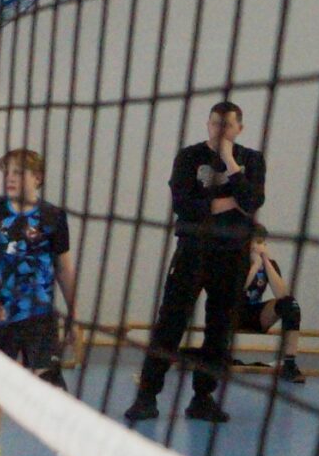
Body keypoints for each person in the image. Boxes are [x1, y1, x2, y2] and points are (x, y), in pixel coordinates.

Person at [126, 101, 265, 424]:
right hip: (192, 251)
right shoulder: (189, 157)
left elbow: (253, 201)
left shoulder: (252, 160)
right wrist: (231, 202)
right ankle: (147, 395)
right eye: (215, 123)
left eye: (227, 125)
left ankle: (203, 398)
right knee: (171, 322)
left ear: (239, 128)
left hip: (233, 255)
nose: (220, 130)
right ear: (208, 124)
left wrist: (231, 163)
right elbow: (184, 205)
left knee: (220, 329)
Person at [0, 149, 86, 456]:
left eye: (19, 172)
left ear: (37, 178)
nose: (11, 178)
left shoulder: (53, 217)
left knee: (51, 383)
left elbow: (64, 267)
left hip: (39, 313)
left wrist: (74, 314)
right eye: (7, 172)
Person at [237, 224, 305, 384]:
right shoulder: (235, 261)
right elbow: (236, 291)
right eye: (256, 242)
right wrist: (254, 266)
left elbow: (282, 294)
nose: (260, 247)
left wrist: (266, 262)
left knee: (290, 305)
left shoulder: (268, 264)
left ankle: (289, 364)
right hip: (230, 314)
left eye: (262, 243)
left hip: (255, 315)